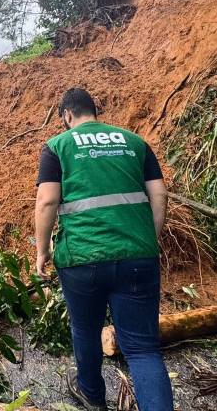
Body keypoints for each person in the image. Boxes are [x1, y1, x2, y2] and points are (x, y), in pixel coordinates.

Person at [34, 88, 173, 411]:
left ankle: (93, 397)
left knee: (85, 329)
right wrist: (146, 240)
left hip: (82, 259)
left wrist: (42, 250)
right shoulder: (136, 142)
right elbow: (160, 195)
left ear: (67, 115)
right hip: (138, 256)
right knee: (142, 349)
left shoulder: (58, 146)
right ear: (93, 111)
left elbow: (47, 201)